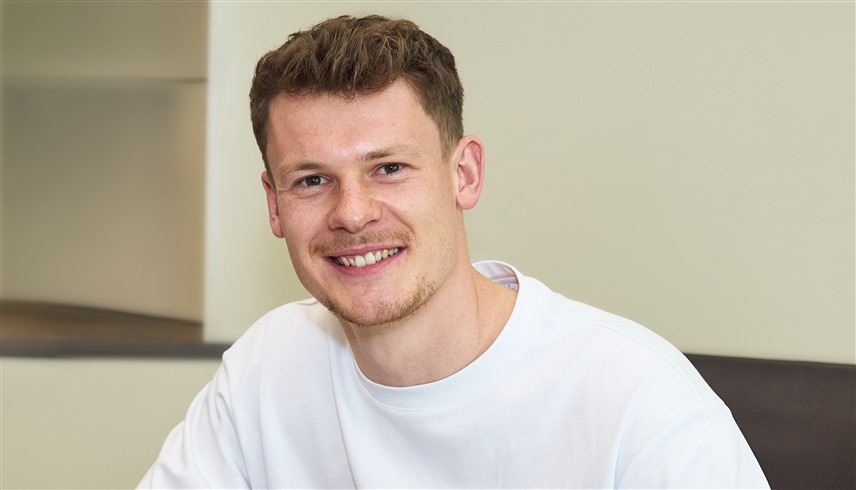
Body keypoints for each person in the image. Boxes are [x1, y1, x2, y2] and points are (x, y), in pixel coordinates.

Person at [139, 15, 768, 488]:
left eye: (388, 168)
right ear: (275, 206)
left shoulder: (638, 403)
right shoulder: (267, 368)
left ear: (463, 174)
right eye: (311, 180)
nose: (352, 212)